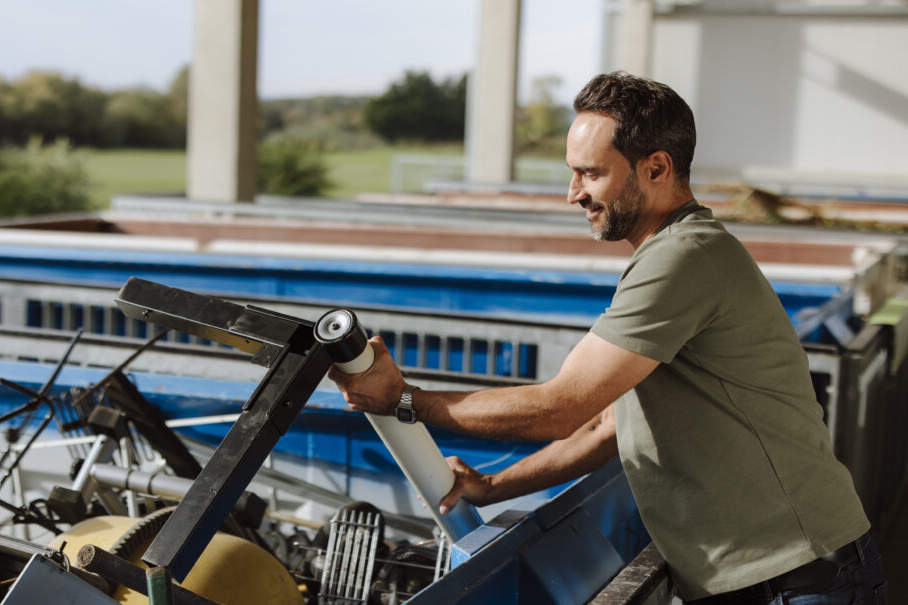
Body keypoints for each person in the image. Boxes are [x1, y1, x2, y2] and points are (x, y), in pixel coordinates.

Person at [329, 72, 887, 603]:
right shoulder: (673, 253)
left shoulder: (682, 258)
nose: (573, 193)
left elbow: (559, 407)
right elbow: (606, 426)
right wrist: (494, 486)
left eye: (590, 173)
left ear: (657, 168)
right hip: (768, 578)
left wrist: (402, 400)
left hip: (795, 579)